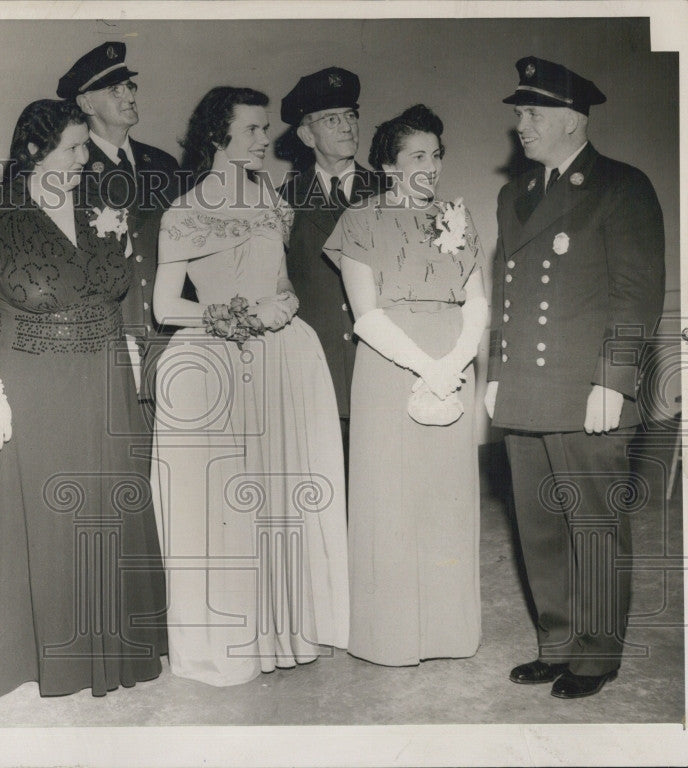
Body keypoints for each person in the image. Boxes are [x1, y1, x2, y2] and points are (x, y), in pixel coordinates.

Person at [0, 98, 167, 698]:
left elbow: (129, 294)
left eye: (84, 147)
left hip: (104, 376)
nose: (84, 158)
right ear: (33, 151)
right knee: (50, 516)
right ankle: (43, 653)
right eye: (73, 148)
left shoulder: (106, 205)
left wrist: (136, 353)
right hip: (34, 380)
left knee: (107, 506)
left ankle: (116, 644)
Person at [152, 86, 349, 687]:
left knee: (281, 499)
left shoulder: (267, 196)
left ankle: (283, 631)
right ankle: (238, 637)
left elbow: (279, 277)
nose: (267, 140)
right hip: (221, 360)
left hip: (285, 359)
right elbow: (165, 306)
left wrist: (283, 302)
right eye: (255, 130)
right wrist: (238, 316)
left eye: (266, 129)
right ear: (219, 134)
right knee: (233, 508)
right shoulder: (185, 211)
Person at [487, 57, 665, 698]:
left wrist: (613, 380)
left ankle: (596, 653)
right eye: (519, 113)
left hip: (586, 391)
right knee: (537, 524)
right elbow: (505, 290)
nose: (520, 124)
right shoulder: (517, 195)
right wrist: (498, 371)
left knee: (592, 523)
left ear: (568, 119)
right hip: (528, 389)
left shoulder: (621, 185)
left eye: (531, 113)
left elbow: (635, 294)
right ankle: (556, 642)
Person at [323, 104, 487, 667]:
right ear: (388, 167)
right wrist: (427, 366)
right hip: (391, 365)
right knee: (391, 500)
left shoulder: (457, 217)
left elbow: (478, 302)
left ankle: (448, 633)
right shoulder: (360, 221)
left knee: (447, 498)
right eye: (417, 155)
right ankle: (390, 636)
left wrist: (455, 362)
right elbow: (366, 315)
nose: (432, 166)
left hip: (453, 362)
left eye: (437, 154)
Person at [57, 42, 181, 410]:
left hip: (167, 330)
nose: (128, 95)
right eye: (115, 89)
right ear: (86, 104)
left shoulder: (162, 164)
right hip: (109, 328)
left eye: (129, 86)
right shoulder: (69, 168)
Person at [279, 67, 384, 461]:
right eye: (332, 119)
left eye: (351, 116)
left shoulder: (390, 192)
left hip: (378, 358)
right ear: (307, 135)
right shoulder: (281, 200)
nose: (347, 127)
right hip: (316, 362)